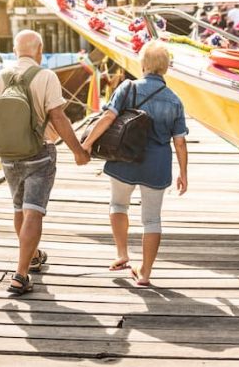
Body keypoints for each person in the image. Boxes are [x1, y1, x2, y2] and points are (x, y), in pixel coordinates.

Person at [0, 29, 90, 295]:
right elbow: (59, 118)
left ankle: (34, 257)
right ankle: (20, 275)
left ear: (15, 50)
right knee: (33, 211)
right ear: (39, 50)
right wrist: (78, 150)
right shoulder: (46, 76)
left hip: (8, 156)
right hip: (39, 153)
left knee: (20, 209)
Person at [81, 41, 188, 286]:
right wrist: (183, 173)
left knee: (118, 204)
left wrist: (87, 144)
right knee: (152, 219)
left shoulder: (127, 88)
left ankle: (122, 254)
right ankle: (145, 273)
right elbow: (180, 142)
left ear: (143, 65)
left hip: (124, 159)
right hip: (157, 164)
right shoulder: (175, 100)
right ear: (166, 68)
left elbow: (108, 117)